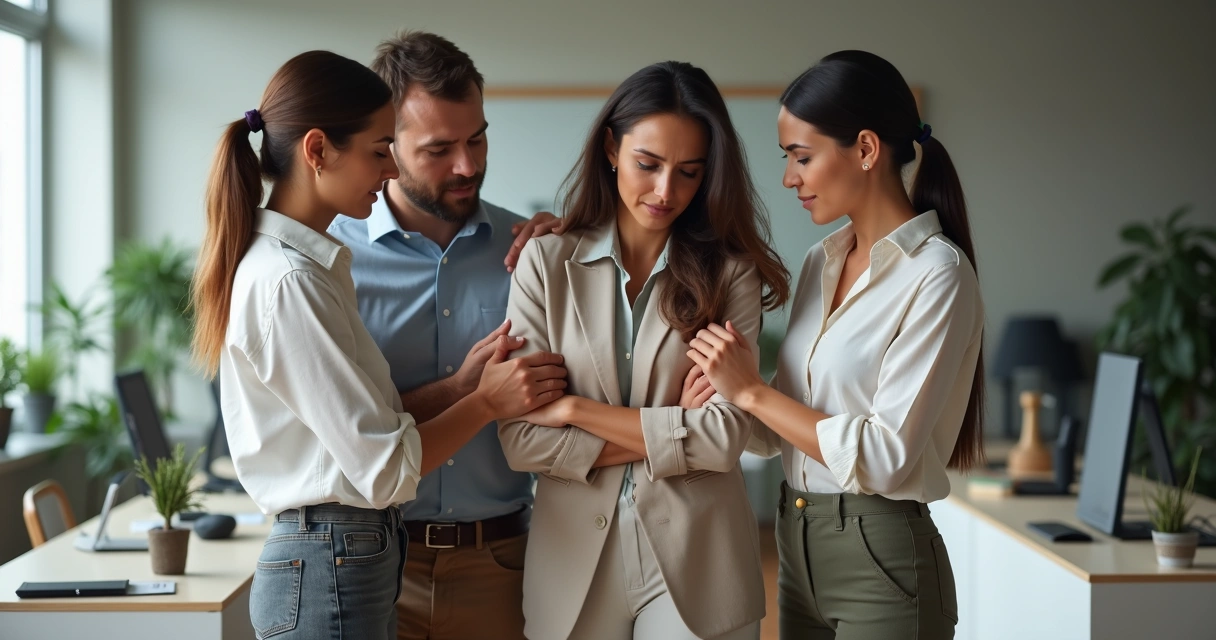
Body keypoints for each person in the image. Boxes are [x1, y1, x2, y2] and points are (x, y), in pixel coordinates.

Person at [191, 50, 565, 640]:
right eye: (383, 151)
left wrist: (462, 386)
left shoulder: (526, 251)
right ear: (318, 151)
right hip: (348, 554)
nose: (388, 169)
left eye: (477, 140)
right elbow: (385, 465)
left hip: (425, 556)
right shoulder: (295, 277)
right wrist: (486, 402)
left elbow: (364, 423)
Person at [689, 49, 985, 639]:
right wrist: (726, 394)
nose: (788, 177)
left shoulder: (938, 274)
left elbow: (882, 456)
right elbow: (784, 432)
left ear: (867, 150)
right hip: (796, 545)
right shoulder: (819, 263)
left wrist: (751, 393)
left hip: (883, 557)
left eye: (802, 157)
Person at [498, 61, 790, 640]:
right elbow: (521, 438)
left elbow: (726, 438)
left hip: (701, 563)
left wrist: (576, 410)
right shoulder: (545, 262)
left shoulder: (731, 274)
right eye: (647, 165)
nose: (665, 191)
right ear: (611, 146)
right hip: (571, 565)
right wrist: (675, 425)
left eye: (688, 172)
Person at [326, 31, 566, 640]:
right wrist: (467, 391)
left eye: (478, 138)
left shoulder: (534, 252)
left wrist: (582, 256)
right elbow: (341, 433)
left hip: (504, 566)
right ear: (388, 145)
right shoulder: (331, 266)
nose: (469, 166)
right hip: (373, 564)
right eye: (440, 149)